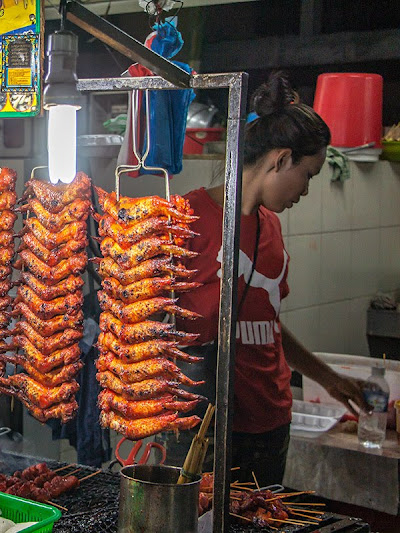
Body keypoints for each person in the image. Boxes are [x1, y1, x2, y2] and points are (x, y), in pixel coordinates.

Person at [158, 72, 367, 486]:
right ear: (281, 159)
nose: (306, 190)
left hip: (269, 423)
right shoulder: (183, 217)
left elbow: (266, 320)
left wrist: (326, 377)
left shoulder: (271, 226)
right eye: (308, 174)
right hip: (201, 426)